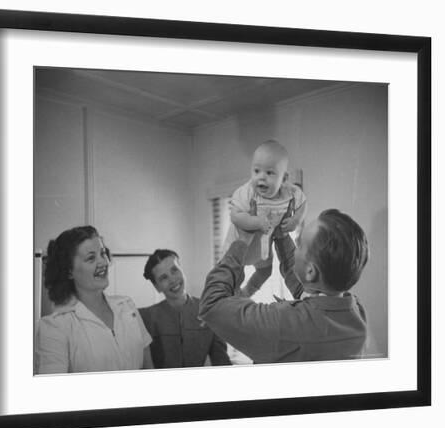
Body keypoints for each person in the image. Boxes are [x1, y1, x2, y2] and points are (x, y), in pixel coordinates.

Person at [199, 209, 369, 363]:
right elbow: (304, 286)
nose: (296, 246)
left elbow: (211, 304)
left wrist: (241, 242)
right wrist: (281, 236)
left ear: (311, 271)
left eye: (300, 244)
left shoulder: (283, 323)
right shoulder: (354, 309)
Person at [35, 225, 153, 374]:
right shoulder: (54, 327)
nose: (103, 262)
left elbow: (149, 368)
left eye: (103, 253)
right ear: (69, 271)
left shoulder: (127, 306)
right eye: (91, 258)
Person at [223, 139, 307, 297]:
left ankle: (246, 293)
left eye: (269, 173)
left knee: (265, 271)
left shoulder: (290, 192)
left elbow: (303, 204)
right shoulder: (247, 192)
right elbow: (235, 215)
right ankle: (231, 297)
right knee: (235, 277)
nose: (261, 177)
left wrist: (295, 221)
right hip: (240, 246)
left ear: (284, 178)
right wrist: (254, 222)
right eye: (256, 171)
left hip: (262, 246)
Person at [140, 249, 231, 369]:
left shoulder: (209, 311)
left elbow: (221, 362)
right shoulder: (145, 318)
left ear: (182, 270)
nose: (172, 280)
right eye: (163, 278)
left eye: (175, 270)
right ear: (157, 287)